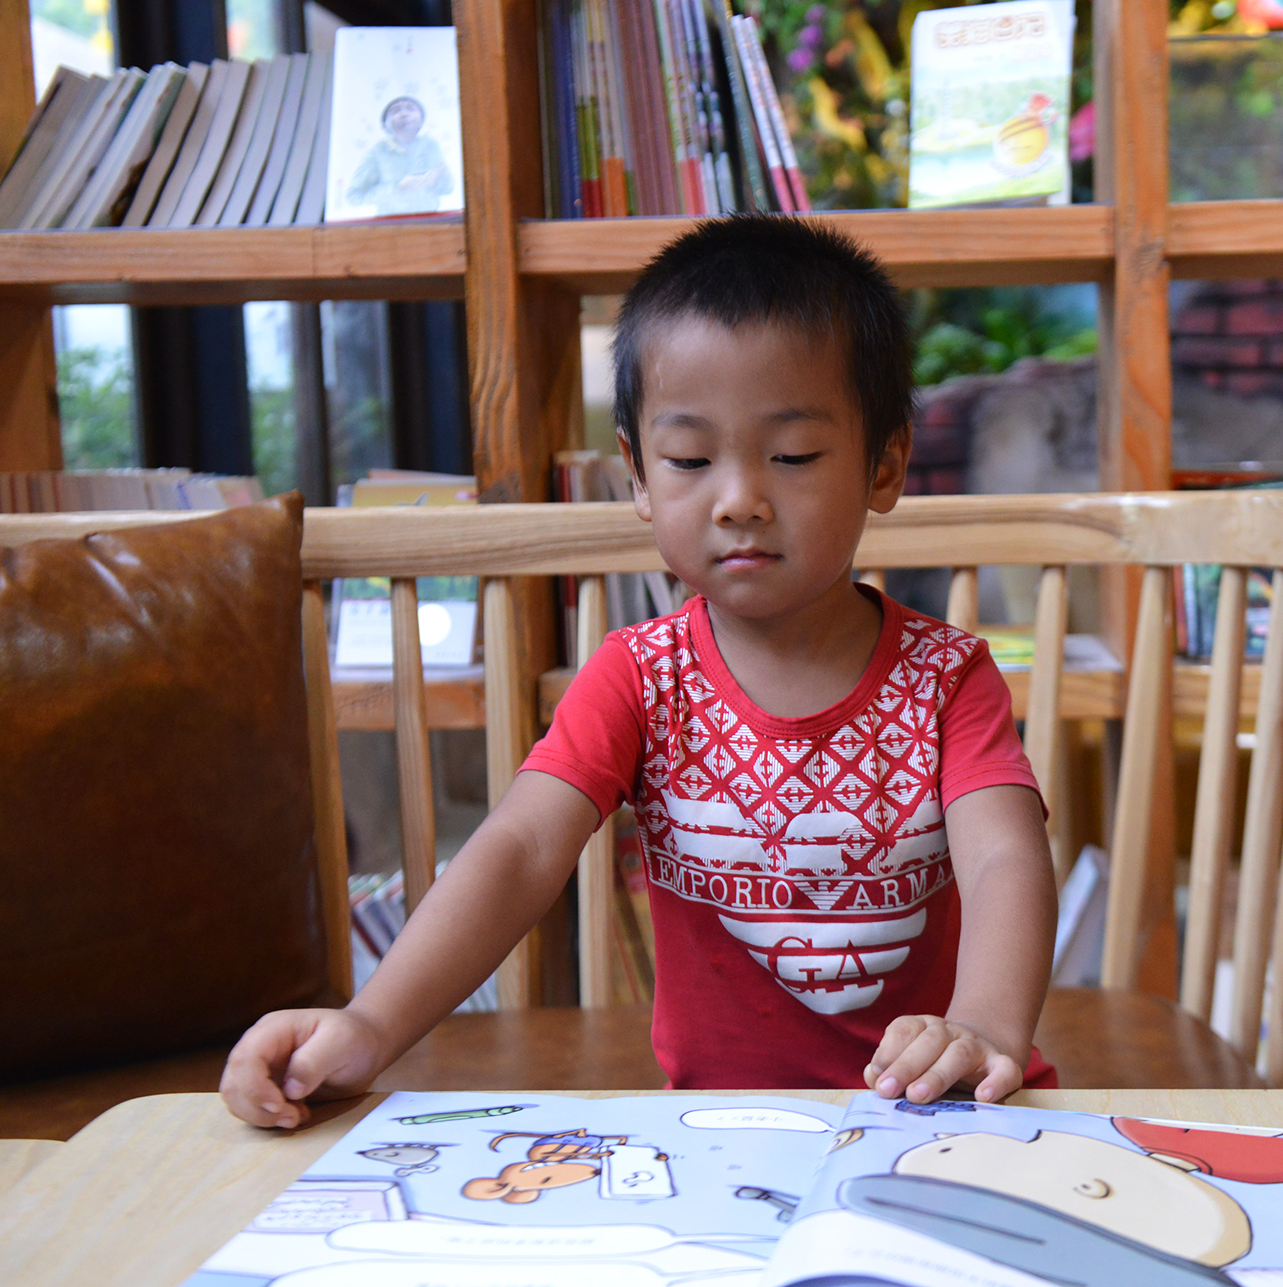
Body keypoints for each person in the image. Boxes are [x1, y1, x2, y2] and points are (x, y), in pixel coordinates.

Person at [221, 216, 1058, 1129]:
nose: (739, 499)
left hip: (942, 1115)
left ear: (885, 464)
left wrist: (982, 1026)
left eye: (793, 455)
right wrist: (371, 1023)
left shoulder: (946, 676)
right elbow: (519, 849)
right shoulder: (639, 676)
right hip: (724, 1138)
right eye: (690, 459)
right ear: (638, 476)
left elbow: (1004, 855)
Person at [344, 96, 453, 216]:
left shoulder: (430, 145)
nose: (404, 114)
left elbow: (448, 187)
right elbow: (354, 196)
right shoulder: (377, 152)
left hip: (432, 222)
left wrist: (436, 182)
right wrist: (397, 189)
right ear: (384, 126)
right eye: (395, 111)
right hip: (390, 223)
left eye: (410, 109)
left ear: (422, 121)